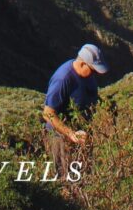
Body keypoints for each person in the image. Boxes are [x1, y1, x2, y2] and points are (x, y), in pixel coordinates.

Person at [42, 42, 109, 179]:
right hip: (60, 138)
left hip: (81, 134)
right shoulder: (63, 79)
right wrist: (71, 134)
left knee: (83, 176)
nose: (95, 74)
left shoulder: (88, 76)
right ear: (82, 64)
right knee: (64, 177)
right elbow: (48, 113)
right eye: (93, 70)